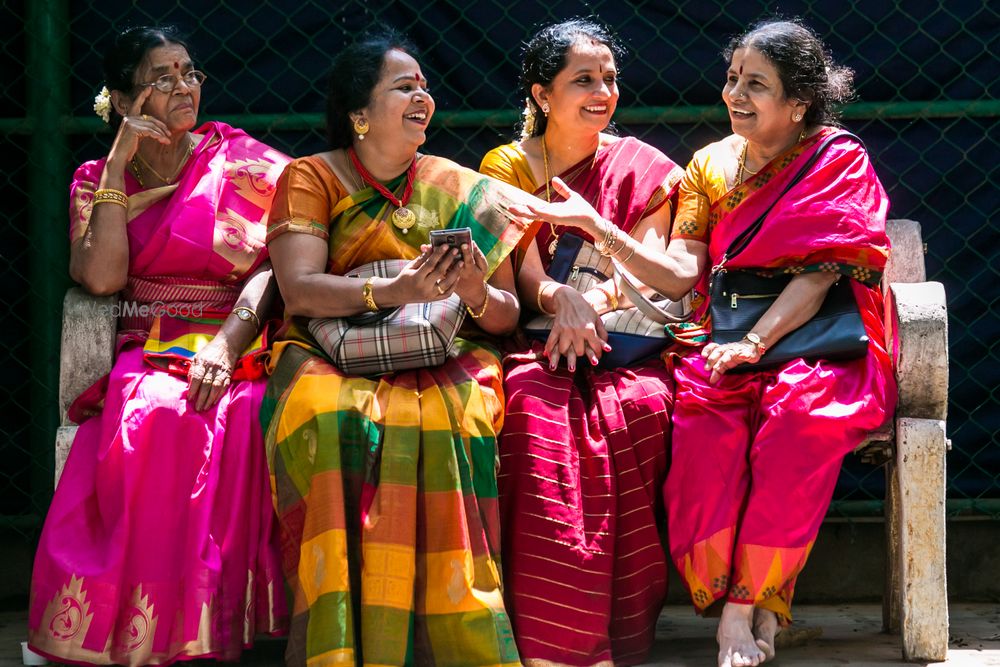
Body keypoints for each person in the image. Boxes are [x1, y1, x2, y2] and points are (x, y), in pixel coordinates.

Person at [511, 18, 897, 667]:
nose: (734, 95)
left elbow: (819, 274)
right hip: (725, 341)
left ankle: (742, 611)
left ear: (799, 102)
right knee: (701, 428)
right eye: (732, 78)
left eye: (756, 85)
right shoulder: (709, 166)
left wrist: (759, 343)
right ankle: (758, 605)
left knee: (796, 421)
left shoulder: (837, 159)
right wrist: (597, 227)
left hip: (818, 343)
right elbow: (681, 272)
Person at [262, 29, 531, 667]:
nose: (423, 96)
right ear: (358, 114)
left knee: (451, 417)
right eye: (403, 87)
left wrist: (470, 288)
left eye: (425, 86)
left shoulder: (463, 187)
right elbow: (298, 291)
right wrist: (395, 289)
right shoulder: (311, 178)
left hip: (445, 353)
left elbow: (505, 316)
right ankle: (339, 645)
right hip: (326, 349)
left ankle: (451, 644)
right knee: (327, 417)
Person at [27, 26, 290, 666]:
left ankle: (232, 622)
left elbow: (280, 260)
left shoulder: (243, 160)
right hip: (150, 341)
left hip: (242, 333)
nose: (184, 87)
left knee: (250, 412)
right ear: (121, 101)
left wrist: (230, 344)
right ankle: (157, 627)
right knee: (163, 415)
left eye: (190, 72)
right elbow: (102, 277)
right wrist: (118, 163)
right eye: (162, 77)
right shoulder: (95, 177)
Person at [480, 19, 685, 667]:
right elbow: (527, 274)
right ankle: (552, 643)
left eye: (610, 79)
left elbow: (648, 265)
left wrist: (588, 305)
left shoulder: (645, 167)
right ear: (542, 95)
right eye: (583, 80)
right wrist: (559, 301)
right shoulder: (506, 166)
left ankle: (619, 632)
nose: (603, 92)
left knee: (646, 409)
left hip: (625, 342)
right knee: (527, 408)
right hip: (534, 341)